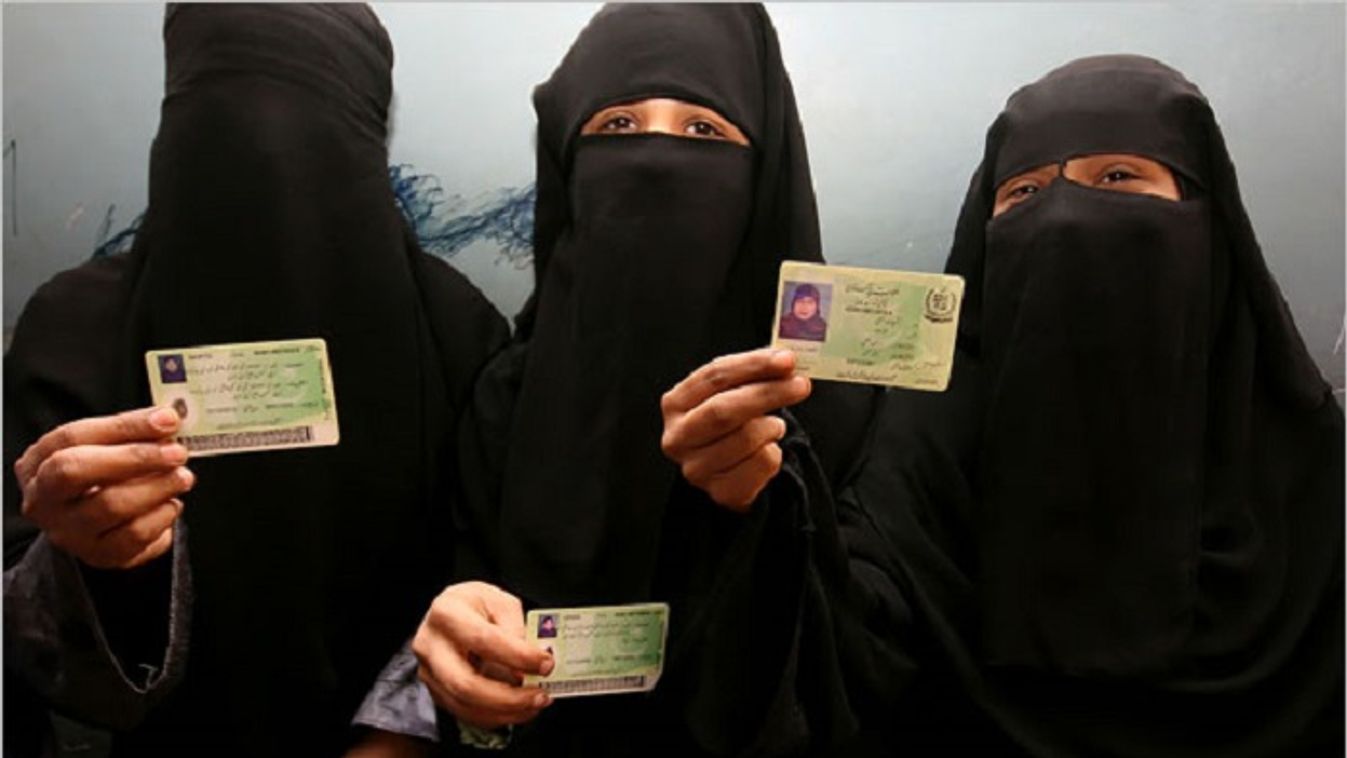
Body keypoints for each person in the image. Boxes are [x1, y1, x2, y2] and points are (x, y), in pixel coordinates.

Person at [663, 54, 1344, 755]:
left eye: (1116, 177)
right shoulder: (929, 439)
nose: (1062, 216)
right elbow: (848, 641)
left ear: (1205, 219)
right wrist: (758, 509)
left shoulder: (1313, 465)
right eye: (1022, 193)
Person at [350, 5, 880, 756]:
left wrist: (768, 505)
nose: (656, 161)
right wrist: (448, 661)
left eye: (704, 130)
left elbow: (868, 668)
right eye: (618, 126)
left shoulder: (850, 405)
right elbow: (458, 618)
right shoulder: (506, 398)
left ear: (764, 176)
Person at [4, 5, 508, 755]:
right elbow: (20, 622)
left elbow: (494, 565)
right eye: (225, 124)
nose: (268, 154)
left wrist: (405, 723)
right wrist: (75, 555)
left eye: (309, 131)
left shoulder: (458, 329)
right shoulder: (77, 326)